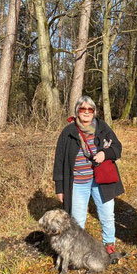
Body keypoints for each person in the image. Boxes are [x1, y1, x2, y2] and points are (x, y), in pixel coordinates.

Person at [53, 95, 124, 256]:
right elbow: (59, 160)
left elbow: (118, 148)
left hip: (101, 181)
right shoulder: (68, 132)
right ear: (77, 111)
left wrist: (105, 154)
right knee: (77, 220)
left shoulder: (102, 127)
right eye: (82, 109)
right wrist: (59, 187)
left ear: (94, 112)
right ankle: (79, 251)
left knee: (107, 215)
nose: (86, 112)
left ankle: (109, 246)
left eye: (89, 109)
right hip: (77, 183)